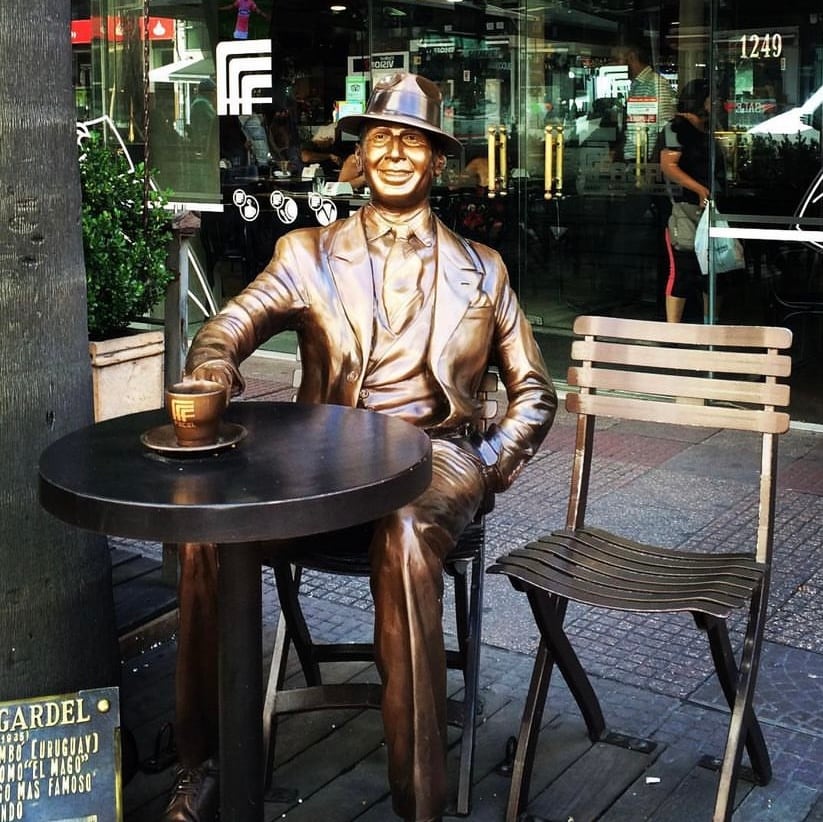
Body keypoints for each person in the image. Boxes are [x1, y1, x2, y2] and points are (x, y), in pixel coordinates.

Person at [164, 71, 556, 822]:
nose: (397, 152)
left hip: (433, 458)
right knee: (202, 535)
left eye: (414, 140)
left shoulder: (485, 270)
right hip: (321, 463)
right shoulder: (306, 253)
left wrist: (486, 462)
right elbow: (228, 325)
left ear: (439, 161)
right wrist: (214, 364)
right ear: (359, 154)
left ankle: (419, 801)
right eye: (381, 137)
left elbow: (535, 393)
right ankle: (201, 762)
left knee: (407, 537)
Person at [660, 78, 718, 323]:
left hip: (708, 207)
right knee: (683, 269)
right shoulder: (676, 127)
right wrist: (700, 189)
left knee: (712, 272)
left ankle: (709, 326)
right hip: (686, 207)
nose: (716, 102)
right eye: (711, 98)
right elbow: (668, 165)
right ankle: (673, 331)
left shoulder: (707, 127)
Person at [615, 42, 676, 163]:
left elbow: (664, 126)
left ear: (632, 57)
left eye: (617, 60)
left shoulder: (655, 84)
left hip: (645, 157)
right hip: (635, 156)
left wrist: (654, 162)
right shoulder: (637, 84)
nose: (614, 64)